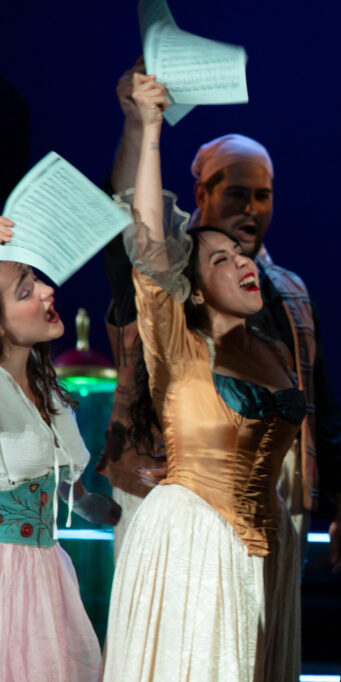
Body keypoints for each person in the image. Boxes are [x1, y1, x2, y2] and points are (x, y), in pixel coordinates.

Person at [102, 58, 341, 571]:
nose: (251, 208)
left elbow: (323, 405)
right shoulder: (170, 279)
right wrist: (138, 125)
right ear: (202, 193)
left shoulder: (289, 291)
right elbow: (131, 228)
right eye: (237, 194)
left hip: (275, 502)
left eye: (263, 196)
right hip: (173, 493)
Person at [103, 74, 303, 680]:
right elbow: (146, 241)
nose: (241, 261)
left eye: (240, 256)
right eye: (220, 259)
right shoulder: (178, 342)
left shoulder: (273, 347)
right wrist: (150, 128)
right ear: (191, 288)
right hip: (195, 539)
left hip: (268, 544)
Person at [0, 217, 120, 681]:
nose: (48, 291)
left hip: (46, 571)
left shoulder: (46, 390)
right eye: (25, 291)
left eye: (38, 280)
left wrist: (89, 503)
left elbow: (53, 471)